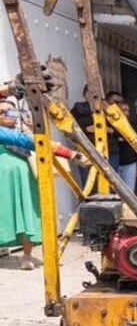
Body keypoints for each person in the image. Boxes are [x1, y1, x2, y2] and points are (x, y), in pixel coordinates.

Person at [1, 99, 86, 270]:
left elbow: (34, 142)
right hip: (3, 182)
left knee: (27, 215)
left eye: (9, 111)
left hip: (25, 181)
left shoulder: (24, 130)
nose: (4, 115)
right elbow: (26, 141)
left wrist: (28, 128)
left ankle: (27, 256)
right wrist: (71, 154)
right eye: (1, 112)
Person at [115, 102, 137, 191]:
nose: (127, 113)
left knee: (129, 192)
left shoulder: (132, 126)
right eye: (124, 110)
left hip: (130, 163)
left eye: (128, 111)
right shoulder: (109, 125)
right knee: (115, 194)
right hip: (114, 163)